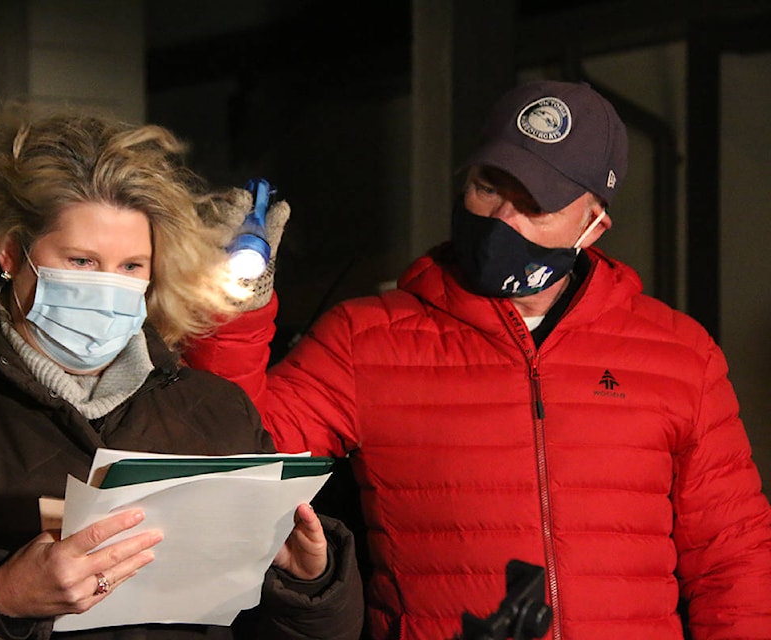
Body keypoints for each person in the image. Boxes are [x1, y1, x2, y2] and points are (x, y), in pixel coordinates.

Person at [186, 80, 771, 639]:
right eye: (490, 185)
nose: (501, 219)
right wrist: (230, 311)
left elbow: (734, 561)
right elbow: (237, 461)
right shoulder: (366, 339)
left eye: (535, 202)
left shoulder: (677, 354)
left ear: (594, 223)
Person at [0, 106, 364, 640]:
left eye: (131, 266)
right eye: (82, 261)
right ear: (11, 254)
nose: (109, 286)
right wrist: (1, 599)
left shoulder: (217, 409)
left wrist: (311, 582)